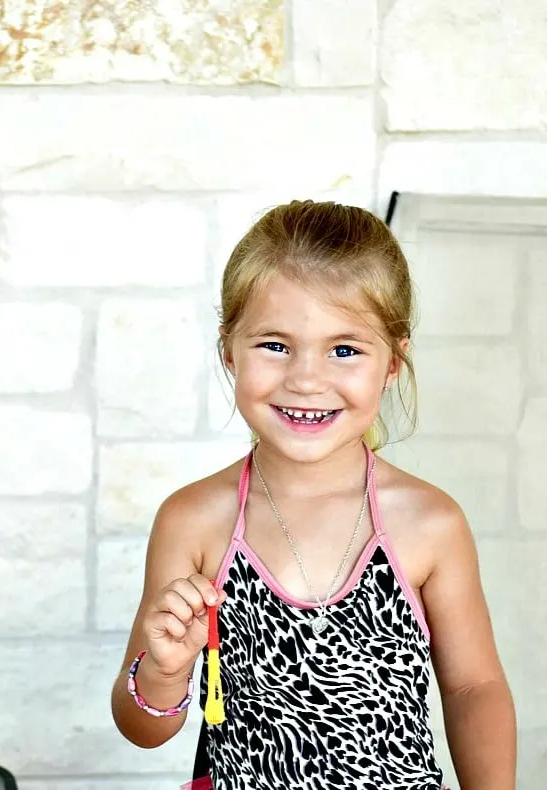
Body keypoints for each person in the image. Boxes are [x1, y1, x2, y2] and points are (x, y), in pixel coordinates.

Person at [110, 200, 517, 790]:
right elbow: (141, 728)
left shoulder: (430, 523)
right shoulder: (194, 520)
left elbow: (473, 687)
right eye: (275, 345)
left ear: (393, 362)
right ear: (229, 351)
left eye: (345, 350)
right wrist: (165, 672)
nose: (306, 379)